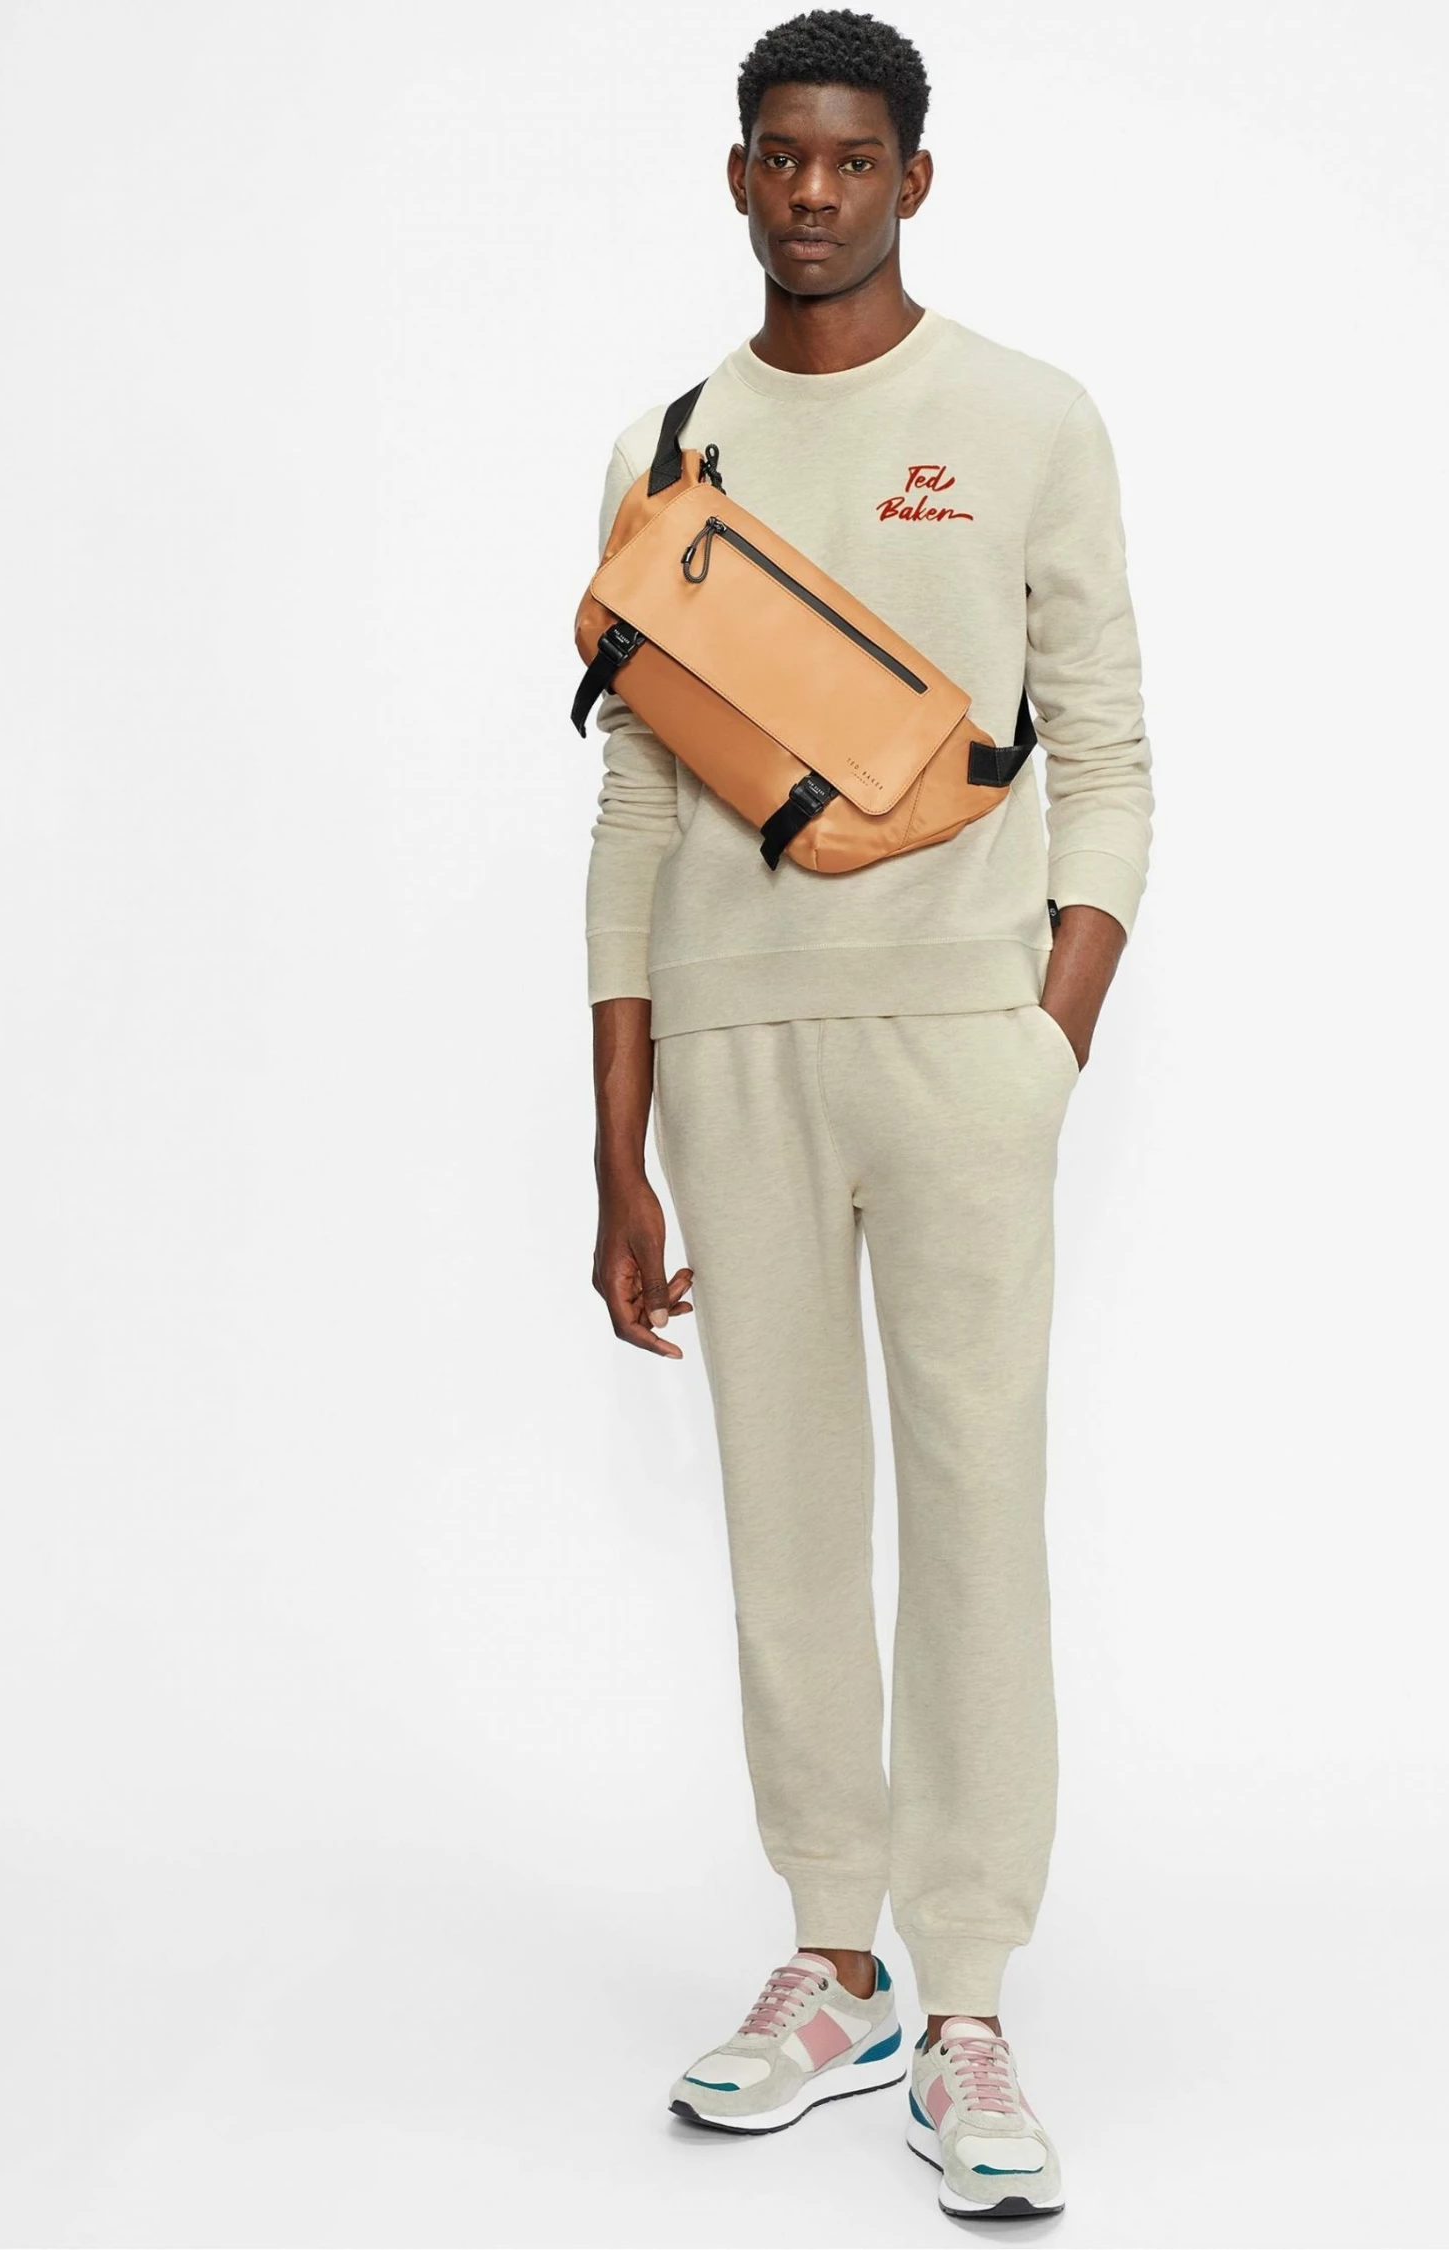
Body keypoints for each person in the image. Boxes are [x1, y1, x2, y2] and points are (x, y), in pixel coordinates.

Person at [582, 8, 1152, 2221]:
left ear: (916, 177)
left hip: (958, 1049)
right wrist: (615, 1136)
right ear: (737, 174)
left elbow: (1109, 747)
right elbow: (636, 804)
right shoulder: (670, 446)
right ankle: (836, 1968)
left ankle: (972, 1995)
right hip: (732, 1053)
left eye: (850, 158)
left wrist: (1046, 1033)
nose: (811, 192)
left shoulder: (1025, 418)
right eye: (777, 155)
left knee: (978, 1503)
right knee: (787, 1511)